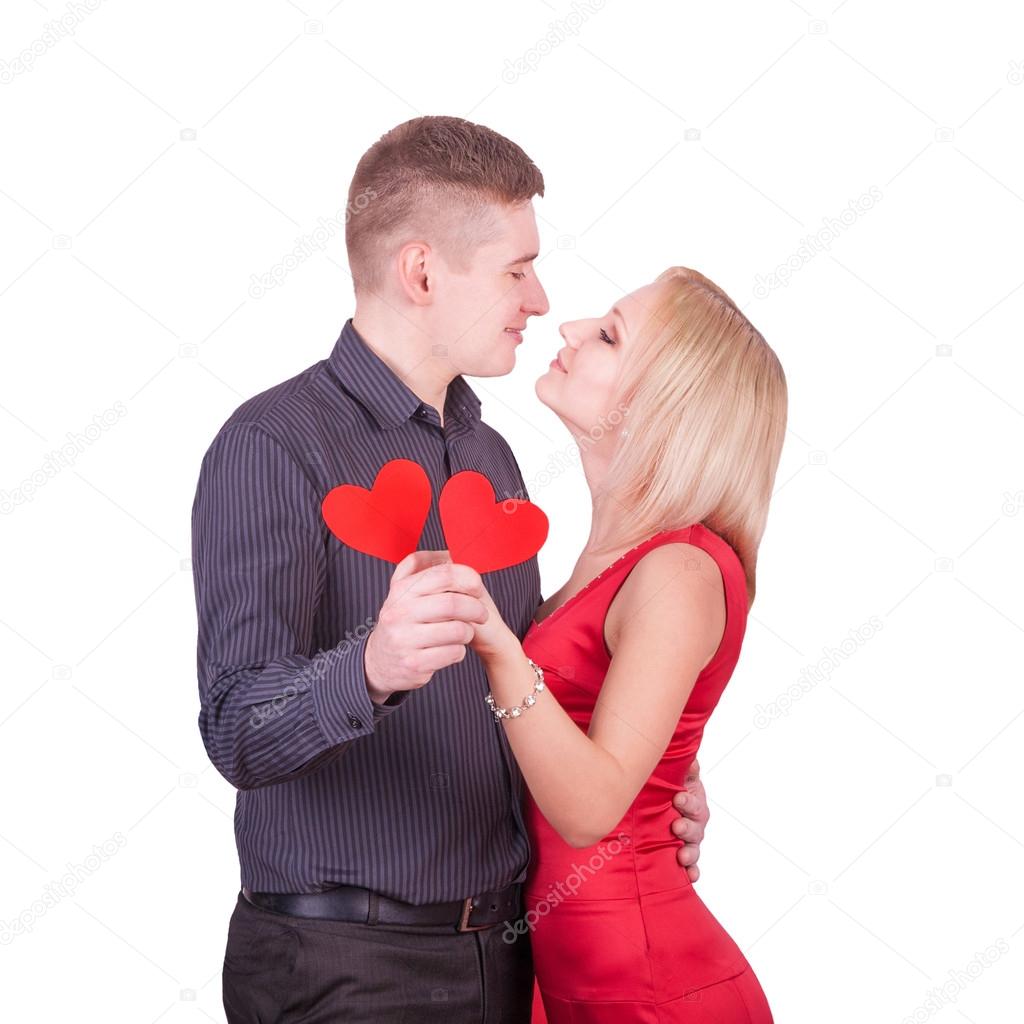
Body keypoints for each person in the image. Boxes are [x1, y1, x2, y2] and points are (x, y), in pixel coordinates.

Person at [191, 116, 709, 1024]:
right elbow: (235, 730)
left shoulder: (492, 458)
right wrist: (369, 667)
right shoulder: (272, 446)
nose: (541, 299)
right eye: (516, 269)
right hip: (343, 969)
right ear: (423, 273)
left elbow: (525, 680)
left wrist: (641, 774)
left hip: (505, 958)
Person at [461, 267, 787, 1022]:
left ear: (664, 407)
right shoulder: (607, 561)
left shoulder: (679, 570)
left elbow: (591, 808)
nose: (569, 330)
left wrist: (497, 645)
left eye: (608, 335)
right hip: (565, 982)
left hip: (654, 995)